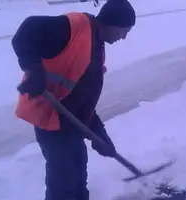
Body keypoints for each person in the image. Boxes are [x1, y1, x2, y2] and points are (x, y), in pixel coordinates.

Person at [11, 0, 136, 199]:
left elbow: (82, 98)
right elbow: (27, 31)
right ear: (113, 23)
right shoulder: (75, 27)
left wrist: (100, 134)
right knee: (63, 181)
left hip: (70, 120)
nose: (124, 37)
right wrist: (34, 70)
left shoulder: (96, 46)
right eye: (124, 30)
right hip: (50, 116)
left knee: (78, 172)